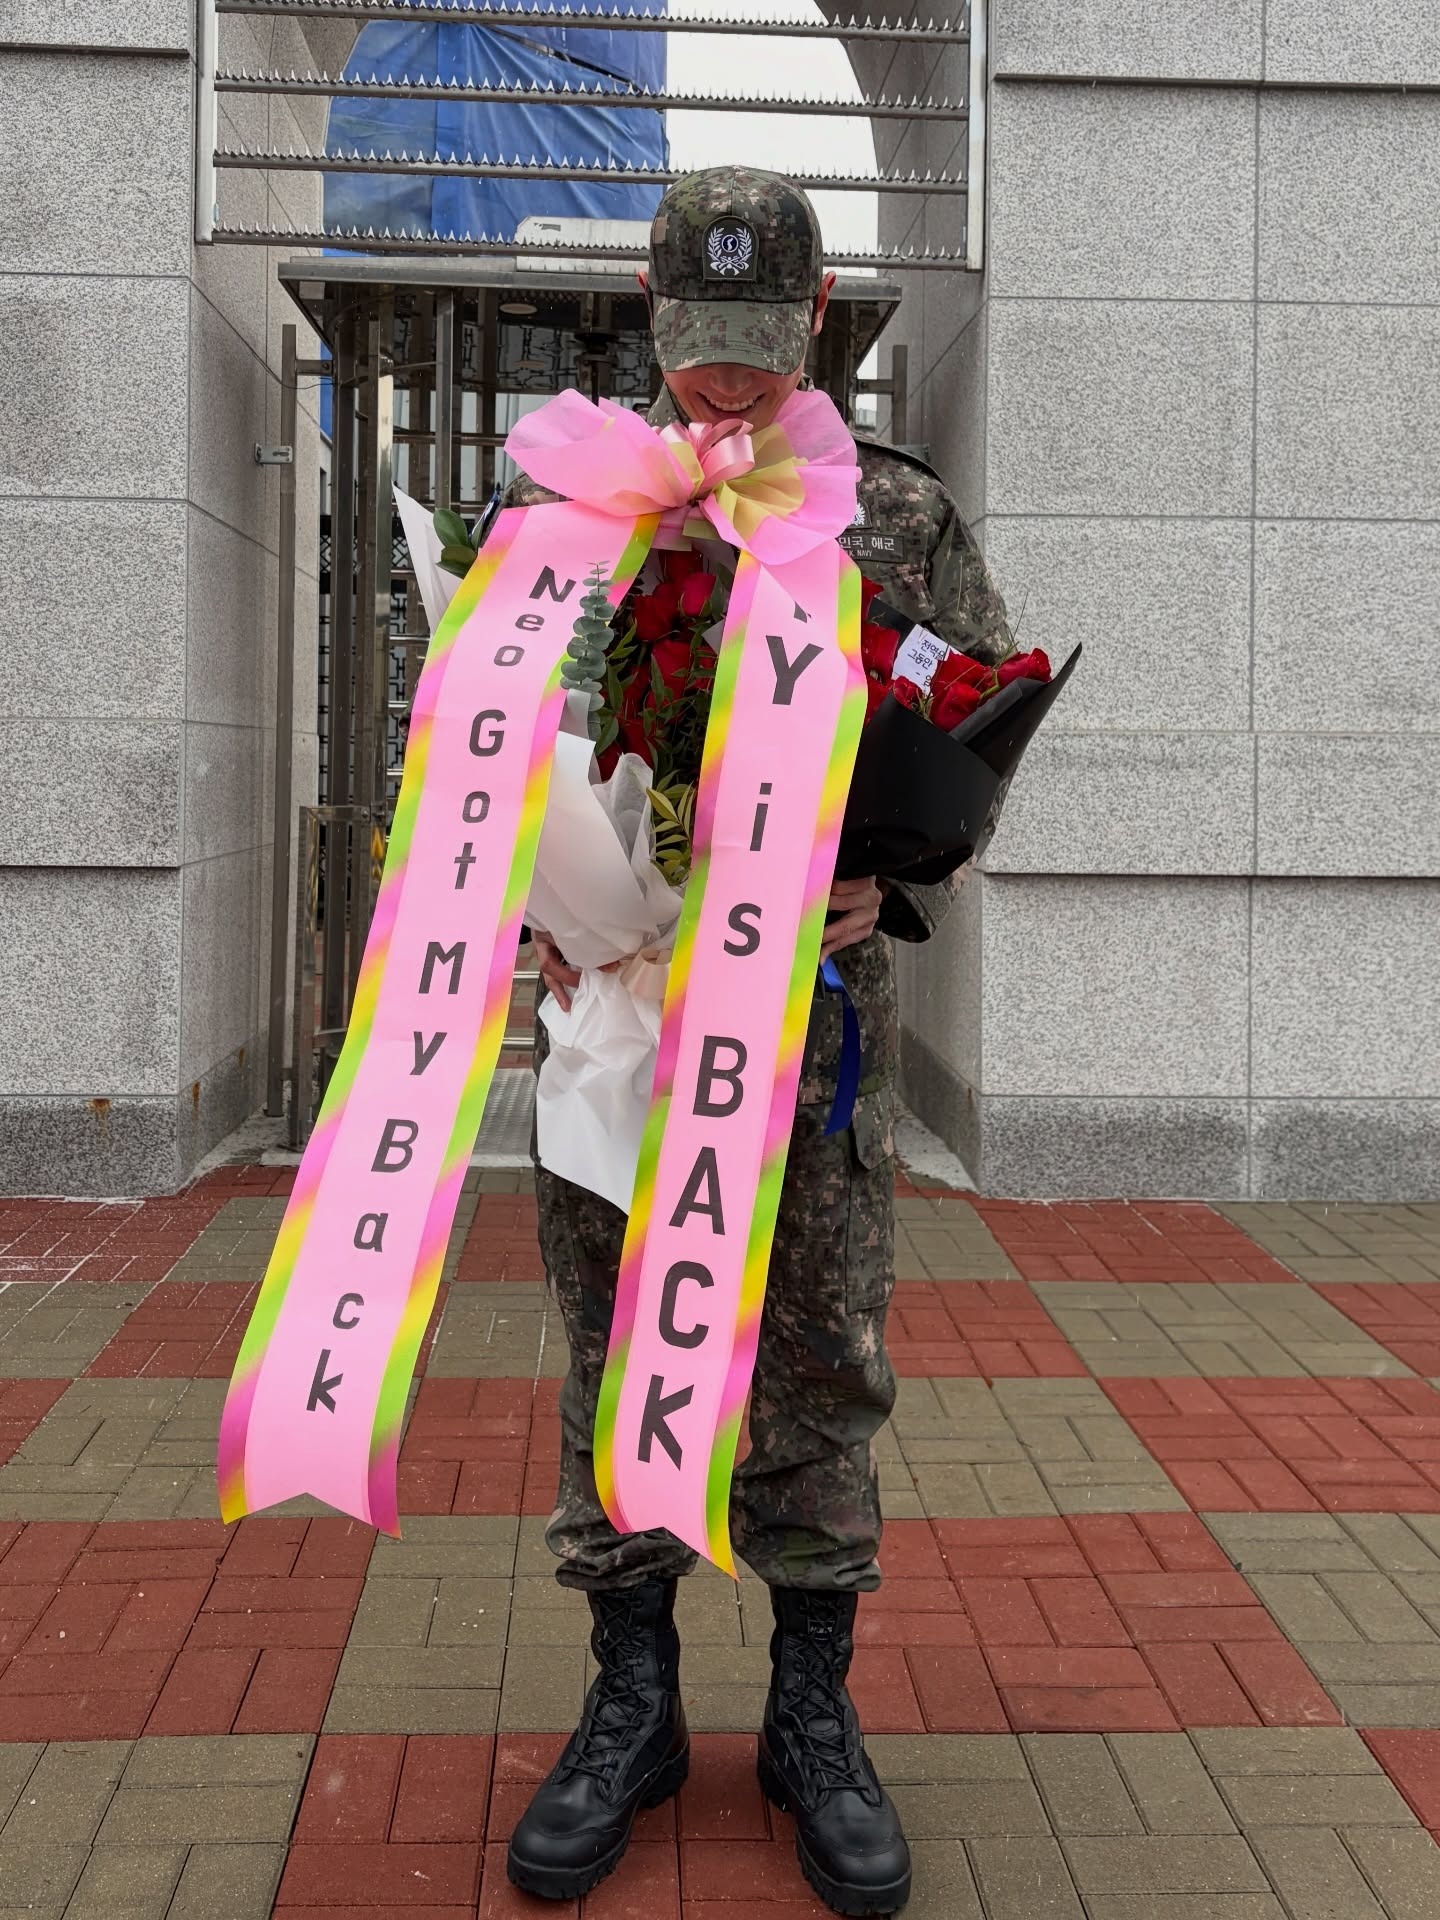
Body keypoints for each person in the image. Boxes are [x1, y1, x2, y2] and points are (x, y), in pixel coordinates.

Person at [505, 167, 1011, 1915]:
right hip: (613, 1018)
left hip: (811, 1036)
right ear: (650, 318)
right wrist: (514, 894)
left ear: (816, 323)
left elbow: (980, 718)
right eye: (695, 345)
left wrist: (901, 873)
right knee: (618, 1340)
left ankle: (811, 1717)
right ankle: (632, 1704)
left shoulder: (897, 516)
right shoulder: (568, 511)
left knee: (815, 1353)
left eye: (757, 345)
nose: (722, 384)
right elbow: (482, 739)